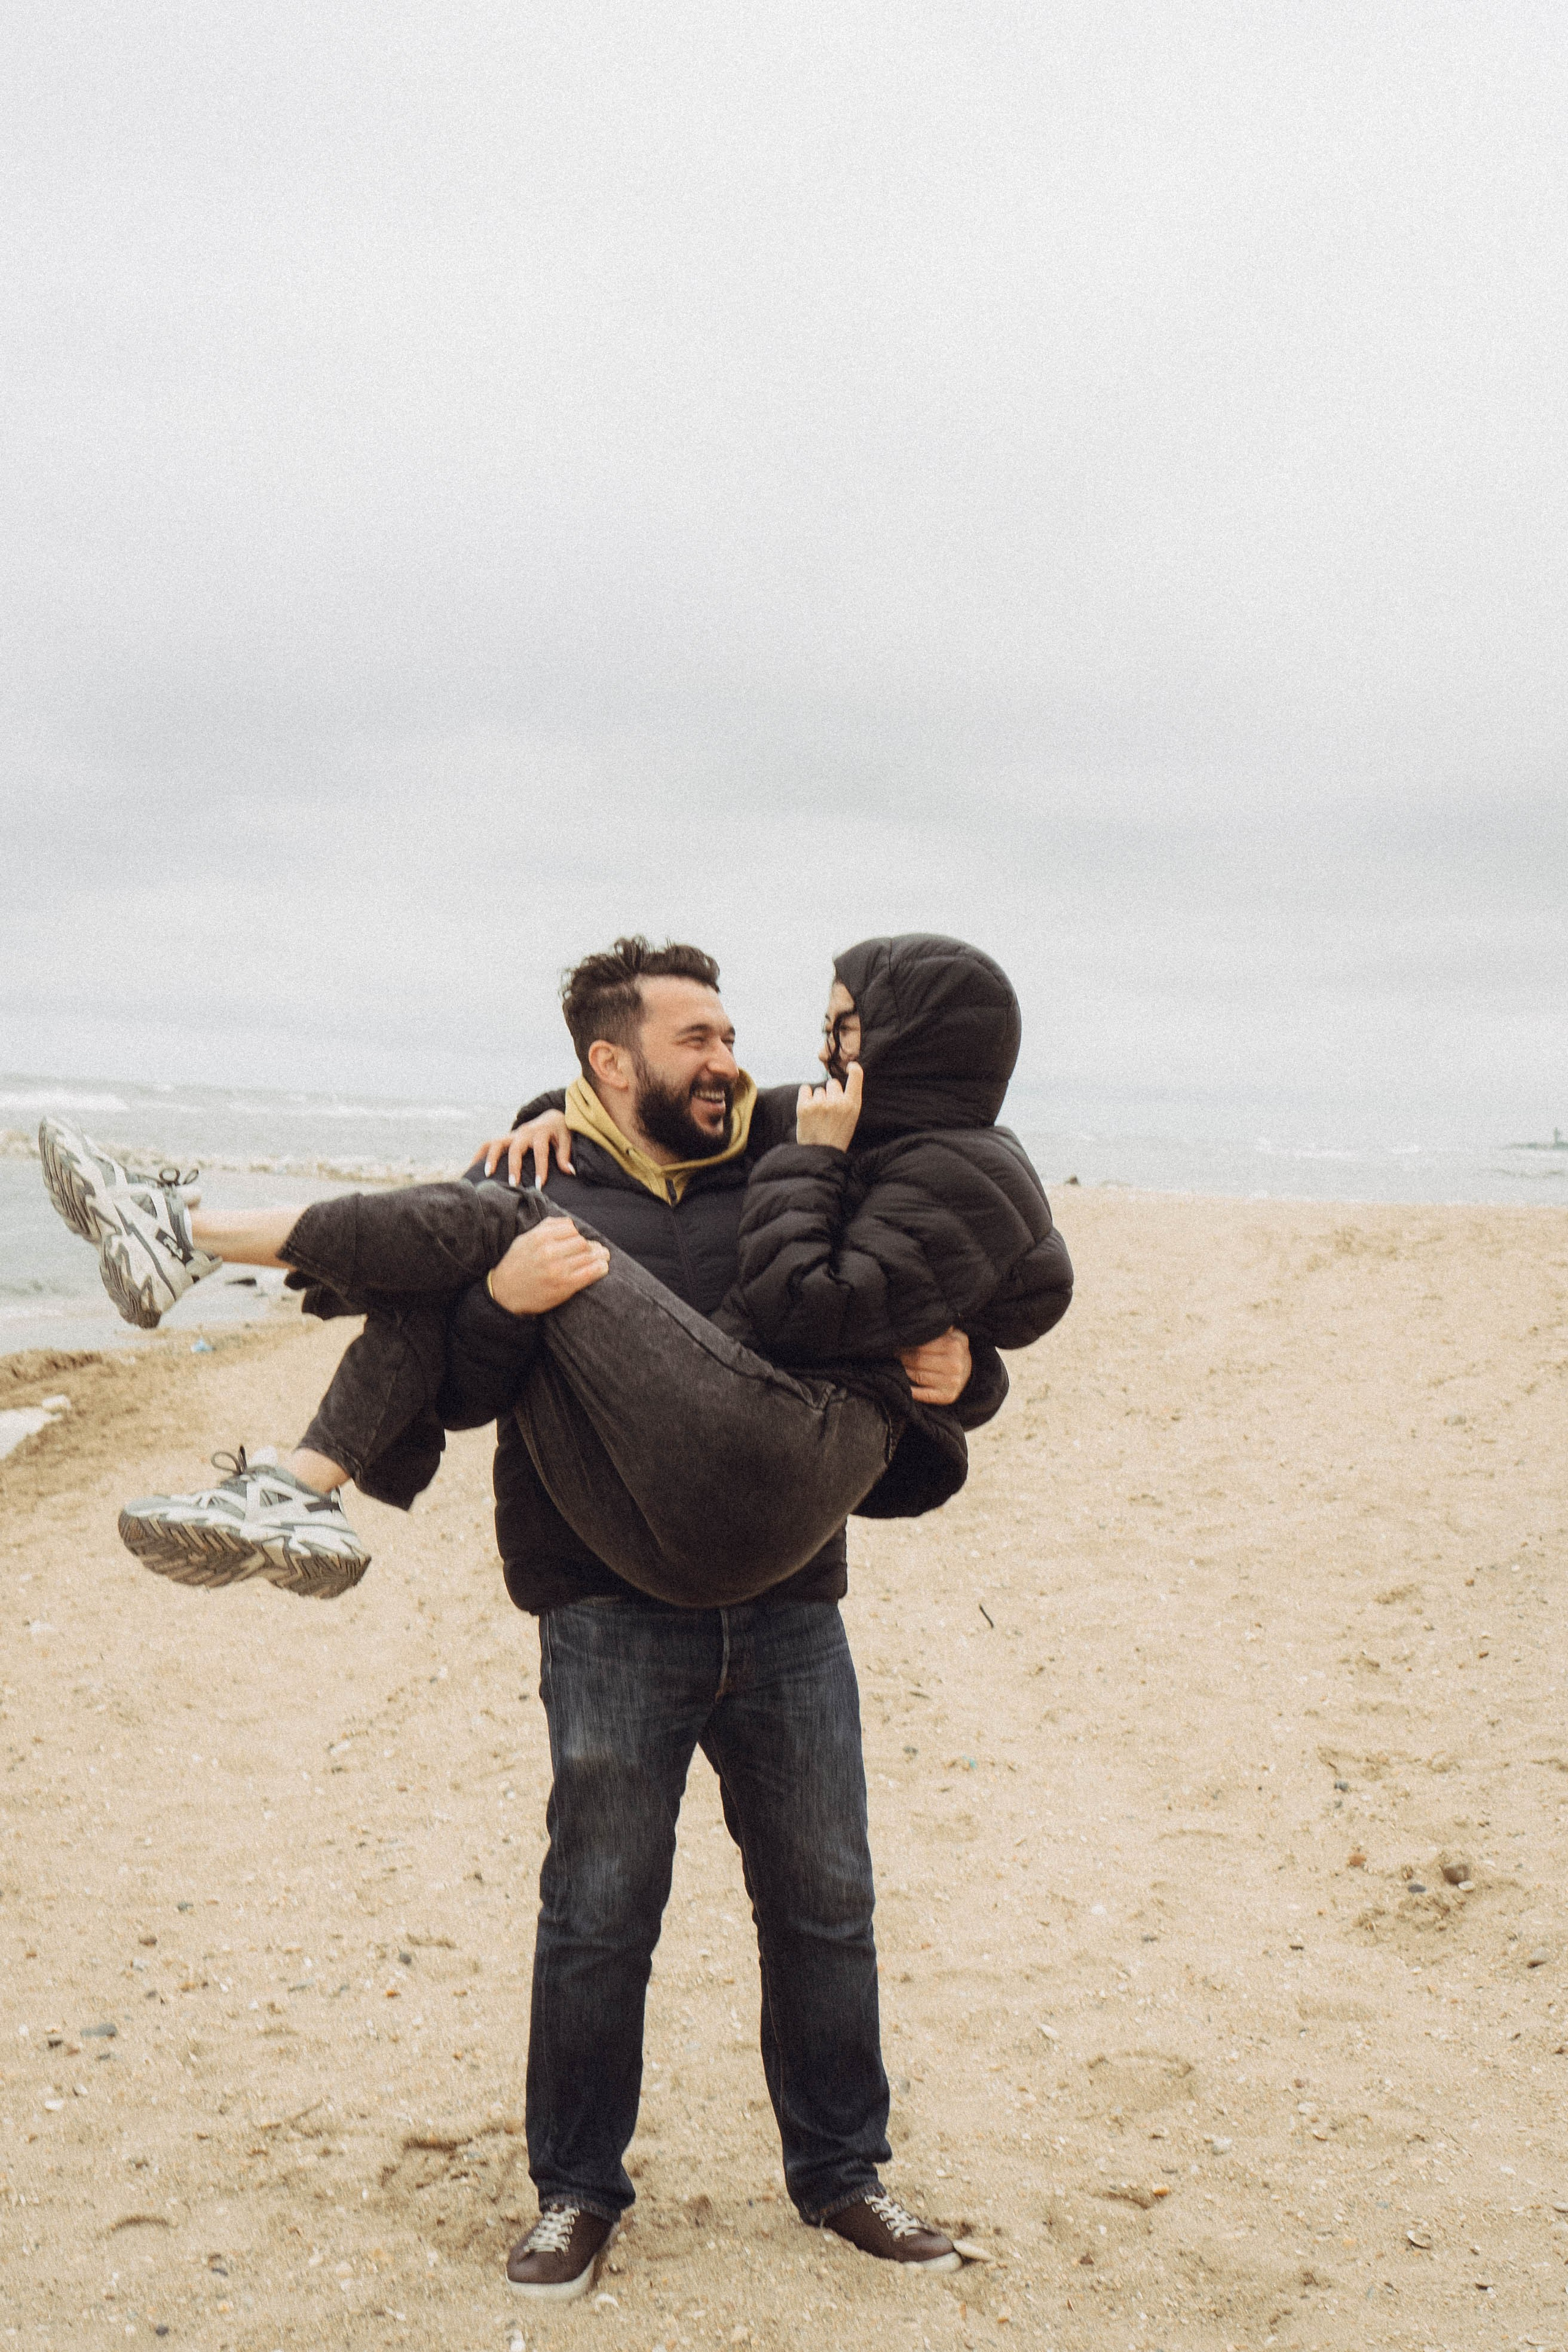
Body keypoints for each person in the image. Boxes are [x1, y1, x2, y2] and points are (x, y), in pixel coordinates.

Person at [39, 938, 1071, 1616]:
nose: (735, 1064)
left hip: (775, 1550)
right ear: (610, 1067)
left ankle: (183, 1234)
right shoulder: (564, 1151)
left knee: (819, 1897)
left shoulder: (802, 1142)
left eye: (735, 1041)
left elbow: (899, 1294)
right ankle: (296, 1482)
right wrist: (501, 1294)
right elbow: (463, 1395)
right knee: (596, 1910)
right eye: (698, 1042)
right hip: (600, 1566)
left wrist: (973, 1365)